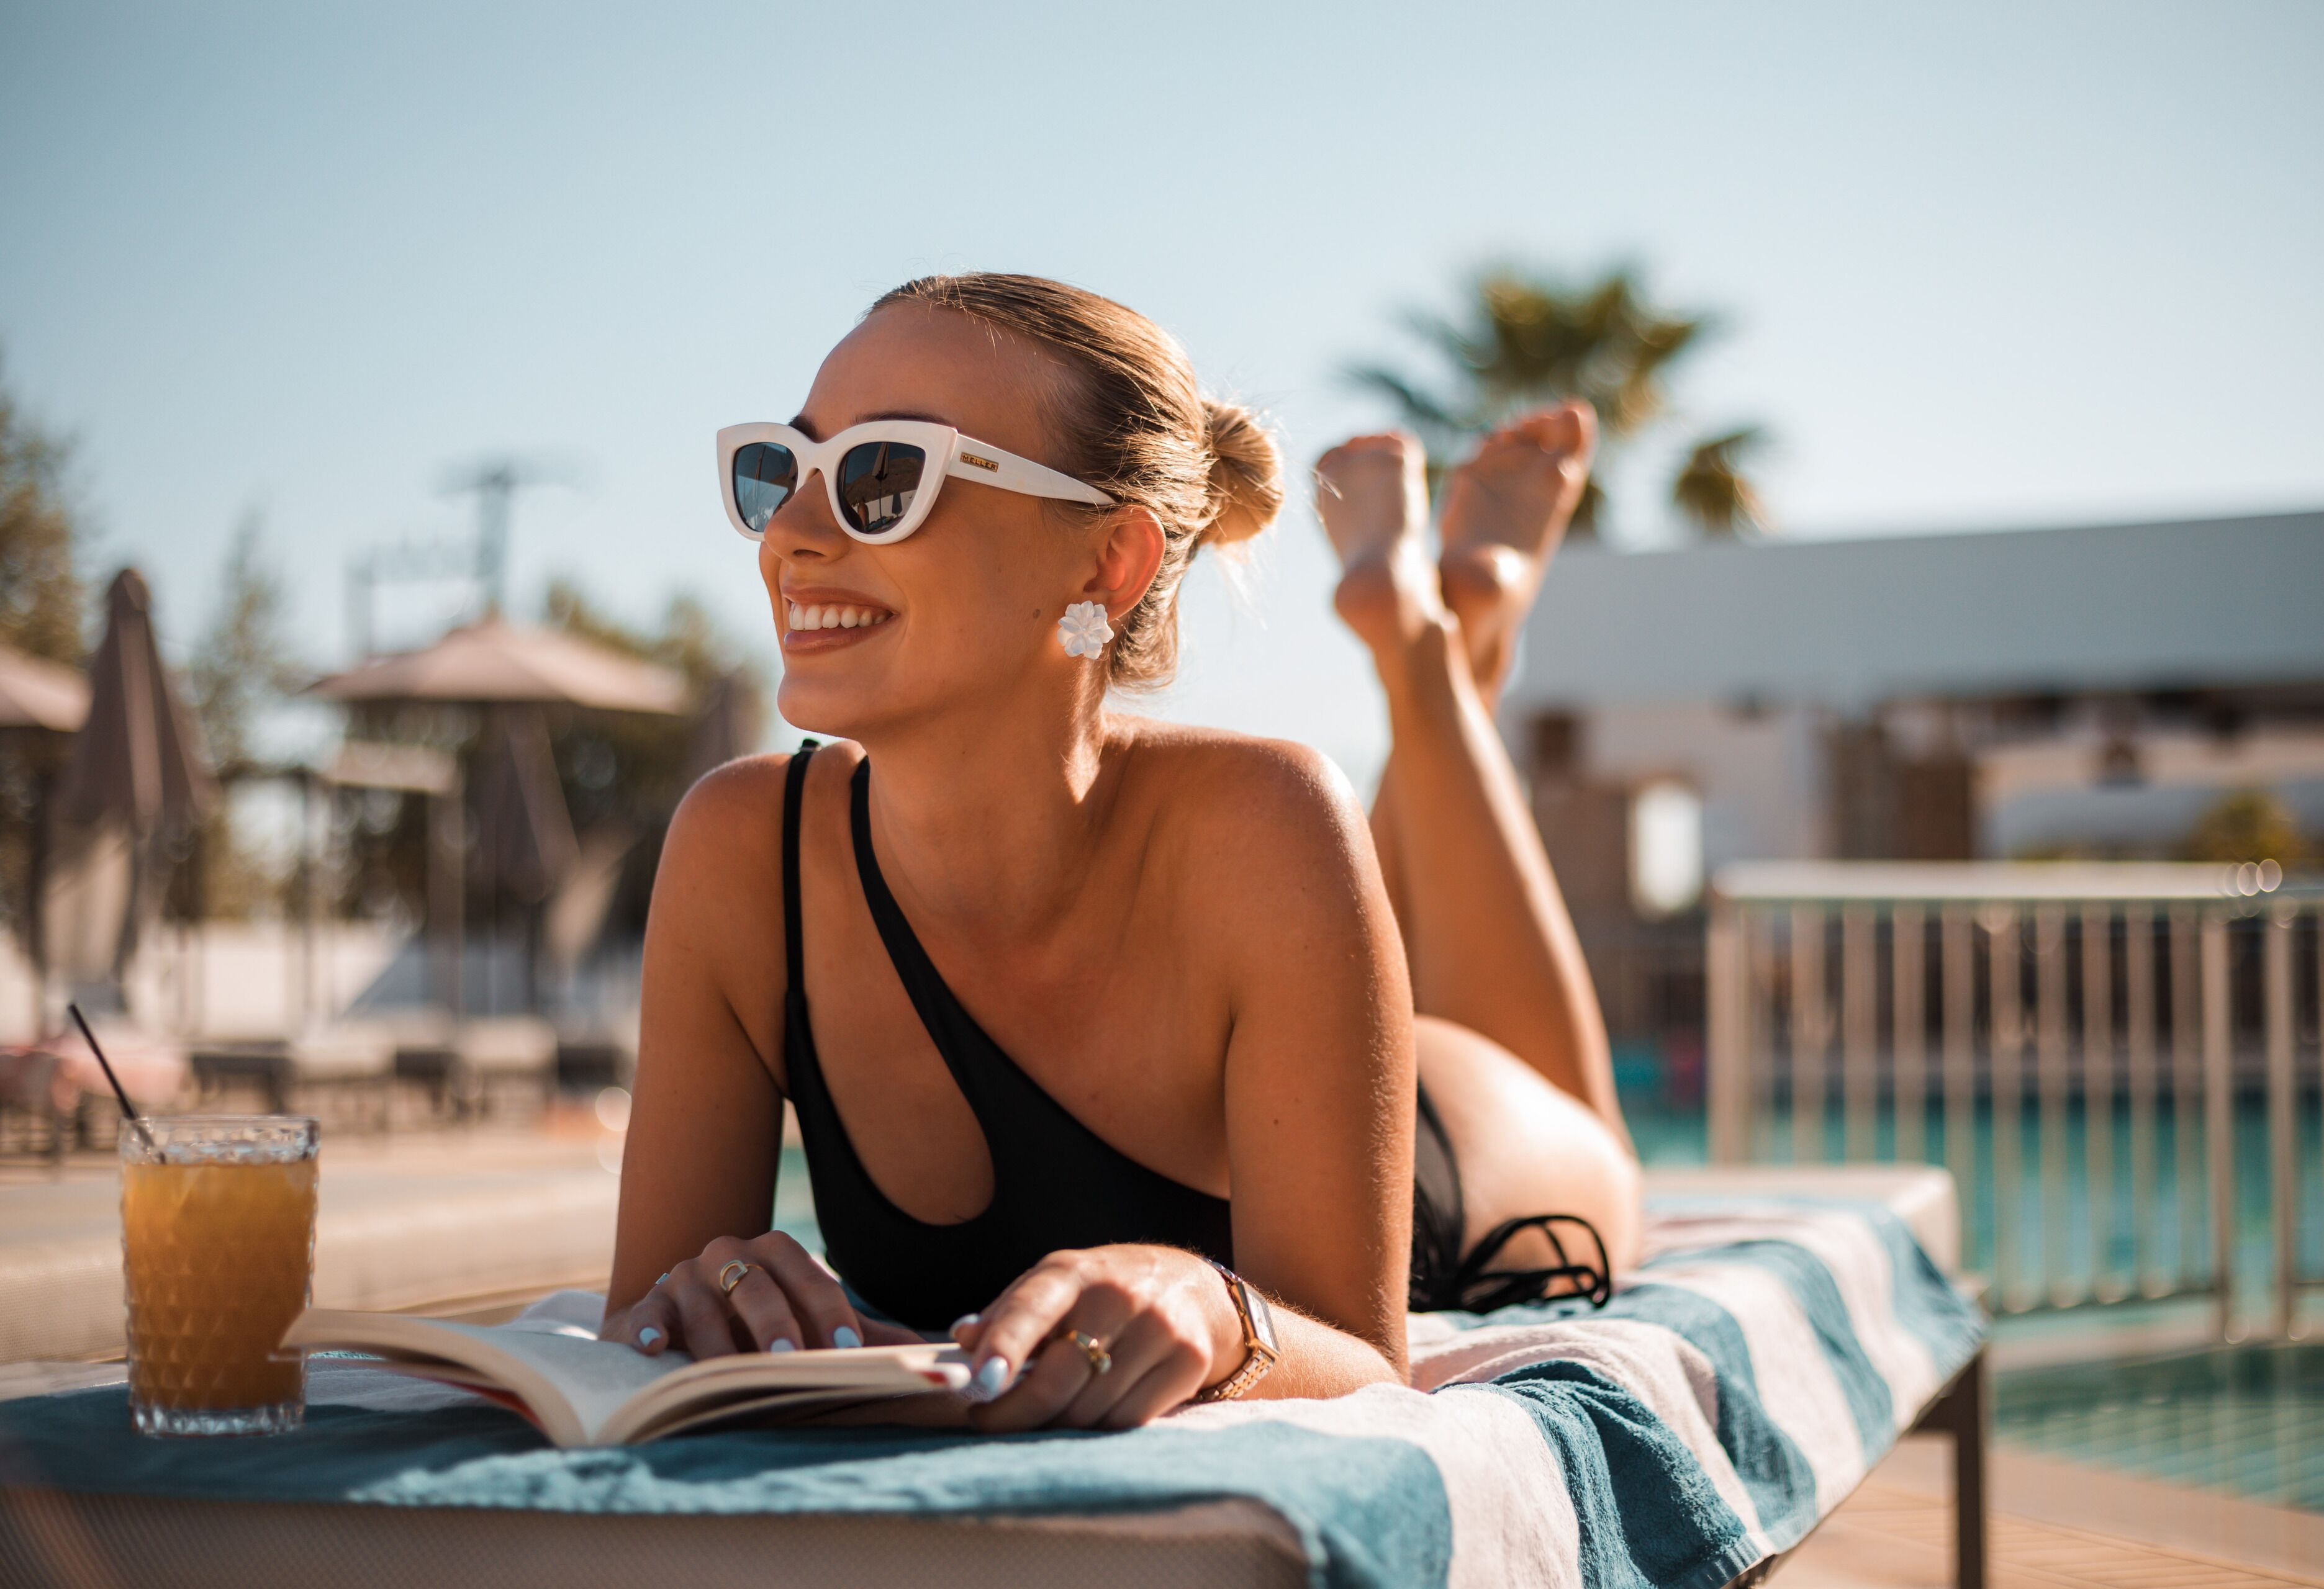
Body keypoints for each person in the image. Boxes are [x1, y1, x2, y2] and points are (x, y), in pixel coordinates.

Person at [602, 273, 1640, 1433]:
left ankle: (1428, 653)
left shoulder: (1264, 814)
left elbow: (1361, 1354)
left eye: (883, 477)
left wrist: (1218, 1309)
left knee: (1599, 1139)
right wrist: (704, 1300)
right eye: (779, 471)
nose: (792, 535)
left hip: (1460, 1144)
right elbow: (639, 1326)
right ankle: (1446, 627)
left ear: (1110, 561)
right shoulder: (744, 850)